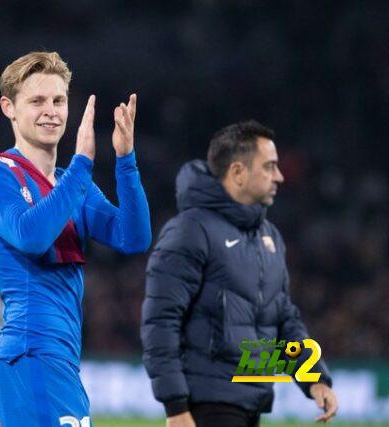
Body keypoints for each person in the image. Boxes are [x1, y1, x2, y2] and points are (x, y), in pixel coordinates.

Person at [0, 51, 151, 426]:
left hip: (57, 360)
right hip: (28, 356)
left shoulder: (71, 183)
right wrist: (82, 164)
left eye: (58, 100)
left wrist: (126, 160)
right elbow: (31, 235)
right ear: (8, 107)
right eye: (37, 101)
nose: (51, 111)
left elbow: (133, 237)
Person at [141, 120, 338, 427]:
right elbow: (161, 321)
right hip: (206, 404)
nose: (280, 177)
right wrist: (175, 407)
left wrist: (315, 379)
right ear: (237, 172)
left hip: (251, 400)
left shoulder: (268, 237)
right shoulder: (190, 230)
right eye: (270, 167)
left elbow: (284, 320)